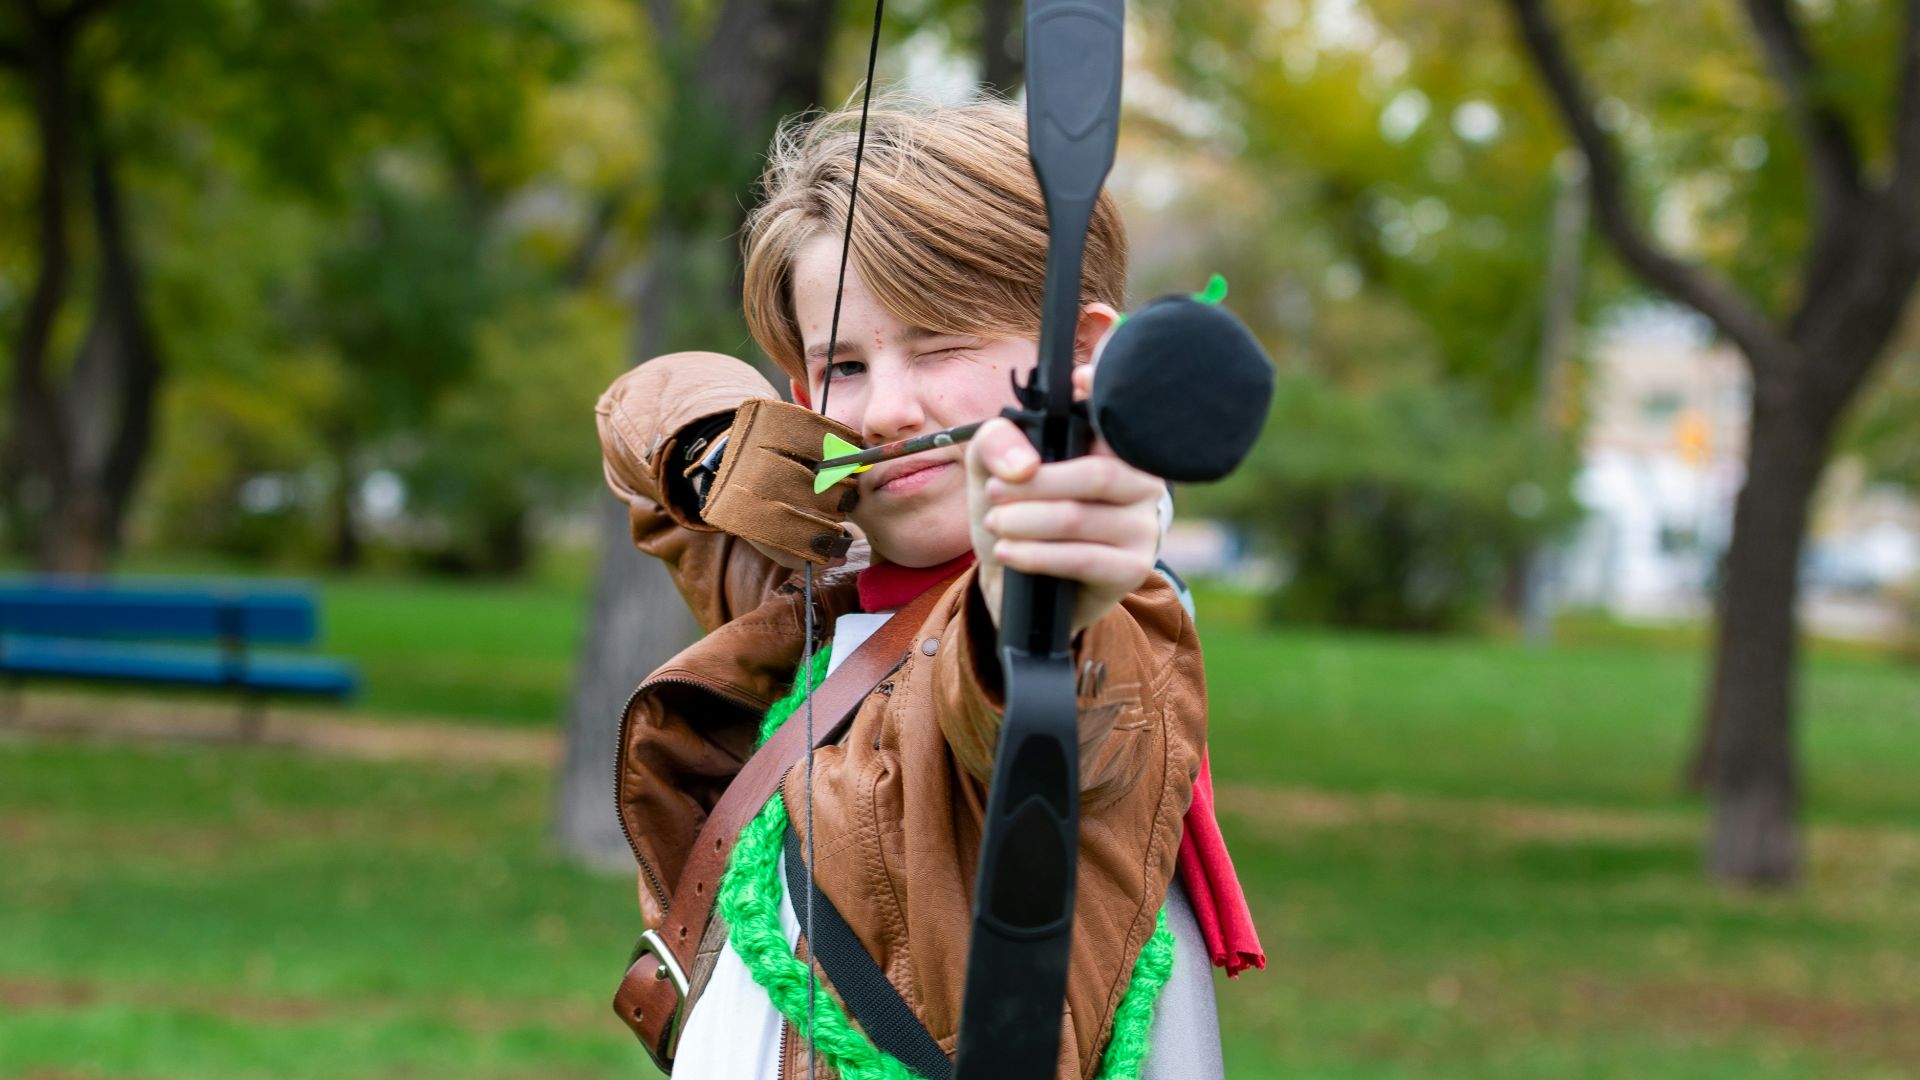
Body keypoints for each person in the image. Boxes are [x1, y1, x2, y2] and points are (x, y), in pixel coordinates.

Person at [595, 96, 1257, 1080]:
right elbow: (641, 416)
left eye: (941, 344)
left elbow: (1031, 687)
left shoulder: (1120, 625)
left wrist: (1048, 576)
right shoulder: (815, 583)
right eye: (844, 366)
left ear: (1081, 357)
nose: (889, 410)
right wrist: (728, 455)